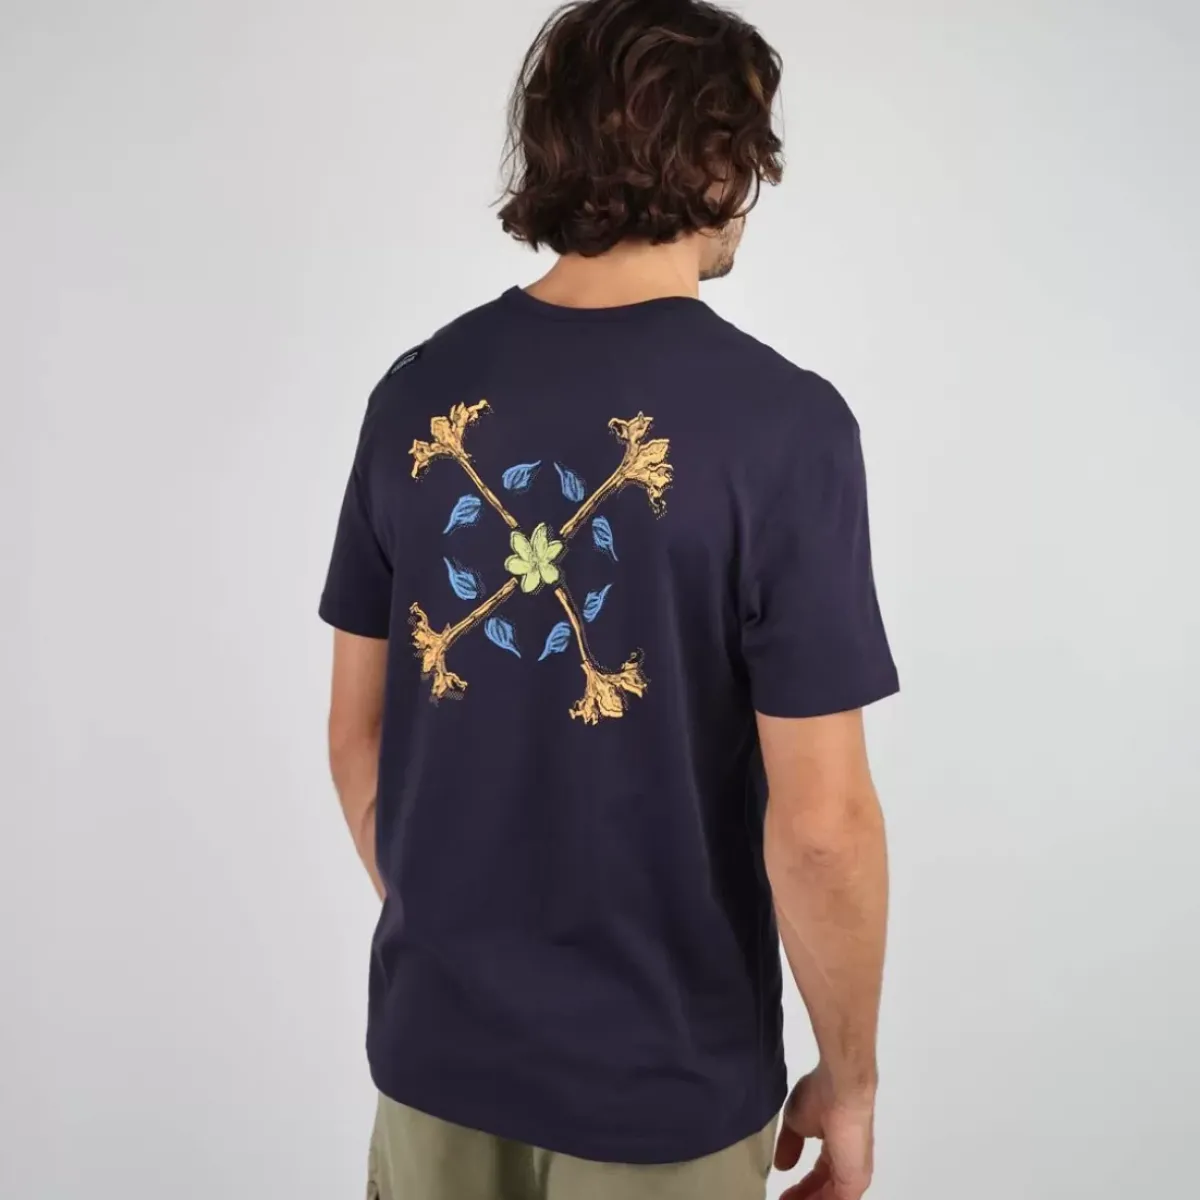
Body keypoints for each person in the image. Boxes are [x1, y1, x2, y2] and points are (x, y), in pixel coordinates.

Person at [320, 1, 898, 1197]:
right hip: (664, 1095)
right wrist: (849, 1082)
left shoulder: (414, 398)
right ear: (724, 161)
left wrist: (472, 955)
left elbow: (357, 739)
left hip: (433, 1069)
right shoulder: (785, 431)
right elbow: (822, 829)